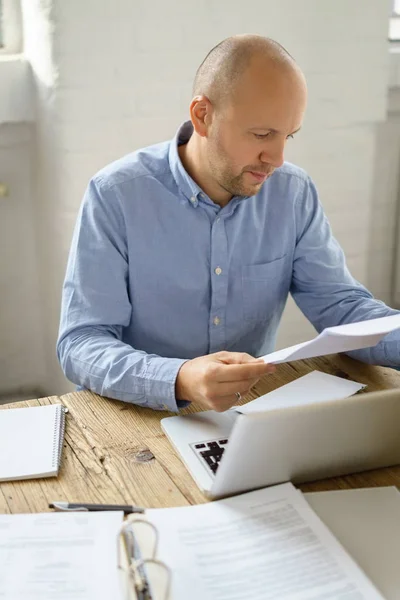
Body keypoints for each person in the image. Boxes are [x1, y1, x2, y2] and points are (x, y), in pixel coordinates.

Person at [57, 34, 400, 413]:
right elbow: (82, 343)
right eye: (262, 134)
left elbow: (342, 308)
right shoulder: (115, 195)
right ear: (203, 115)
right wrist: (180, 377)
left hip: (245, 416)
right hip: (132, 418)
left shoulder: (293, 193)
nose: (278, 159)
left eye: (288, 136)